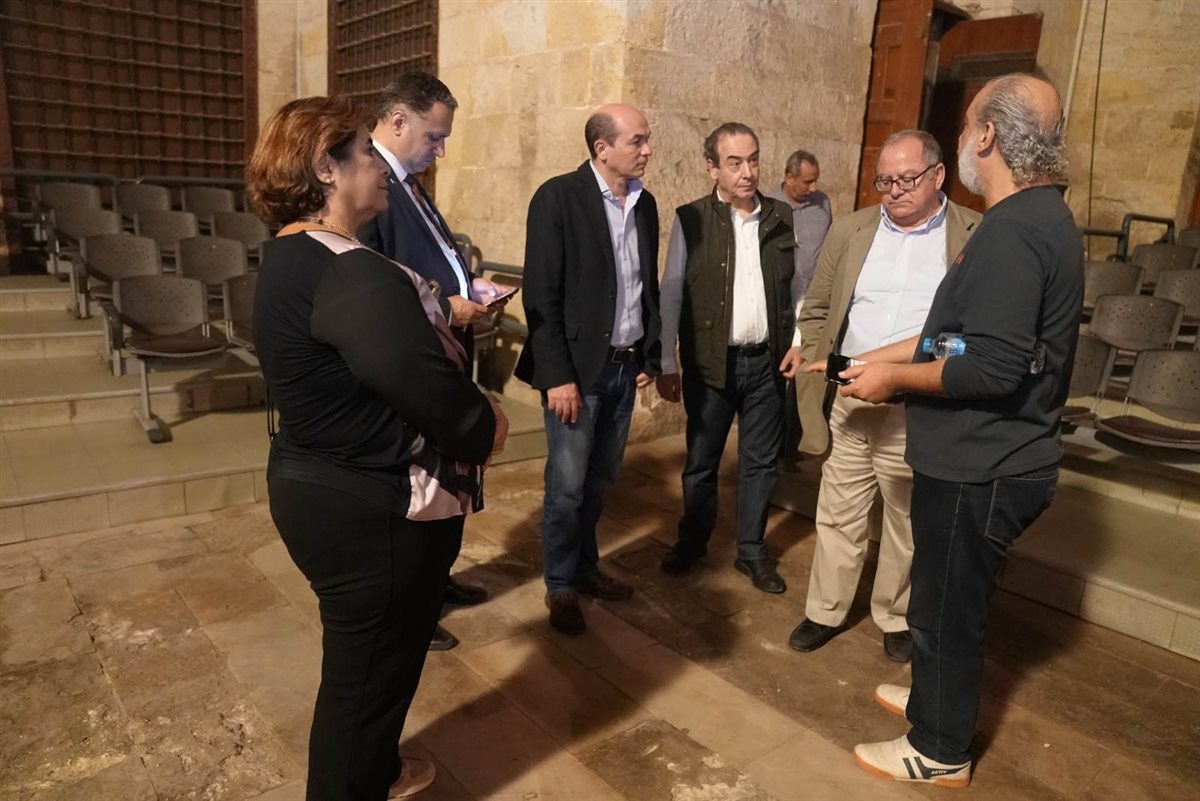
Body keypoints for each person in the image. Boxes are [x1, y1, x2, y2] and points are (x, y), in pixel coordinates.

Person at [249, 95, 508, 800]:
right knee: (363, 684)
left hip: (325, 481)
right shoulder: (350, 270)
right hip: (367, 506)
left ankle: (377, 768)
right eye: (367, 152)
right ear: (326, 169)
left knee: (371, 672)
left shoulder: (293, 255)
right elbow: (422, 385)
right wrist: (485, 423)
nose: (381, 167)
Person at [842, 75, 1082, 787]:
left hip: (983, 461)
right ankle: (933, 697)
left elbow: (992, 368)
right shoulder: (1036, 216)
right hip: (984, 454)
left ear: (986, 136)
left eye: (965, 125)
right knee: (943, 596)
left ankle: (938, 746)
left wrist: (892, 380)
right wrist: (884, 357)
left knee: (946, 608)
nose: (961, 137)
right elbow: (959, 338)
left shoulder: (1014, 229)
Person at [787, 131, 981, 663]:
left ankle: (894, 616)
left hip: (917, 403)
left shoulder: (974, 234)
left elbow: (971, 329)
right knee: (838, 513)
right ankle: (825, 610)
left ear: (938, 175)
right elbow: (818, 307)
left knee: (906, 521)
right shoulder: (852, 229)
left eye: (907, 179)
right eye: (885, 180)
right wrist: (820, 361)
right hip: (850, 396)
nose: (894, 190)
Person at [359, 70, 500, 652]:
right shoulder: (369, 183)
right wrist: (448, 306)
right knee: (412, 495)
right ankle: (410, 609)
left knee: (443, 486)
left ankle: (435, 582)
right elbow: (375, 286)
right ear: (398, 120)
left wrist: (469, 285)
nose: (440, 150)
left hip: (443, 350)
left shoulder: (407, 181)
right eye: (434, 137)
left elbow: (429, 257)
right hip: (412, 364)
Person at [515, 104, 661, 635]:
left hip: (623, 366)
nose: (647, 150)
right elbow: (541, 295)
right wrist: (558, 376)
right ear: (602, 148)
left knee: (600, 481)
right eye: (637, 141)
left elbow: (644, 285)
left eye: (646, 140)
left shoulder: (645, 203)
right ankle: (560, 584)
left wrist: (648, 354)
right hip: (576, 373)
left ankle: (584, 567)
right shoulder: (558, 197)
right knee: (568, 486)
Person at [655, 122, 802, 593]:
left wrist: (799, 340)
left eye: (753, 160)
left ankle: (752, 551)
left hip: (767, 363)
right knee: (702, 461)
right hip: (709, 362)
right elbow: (672, 291)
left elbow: (797, 287)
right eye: (734, 162)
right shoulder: (691, 219)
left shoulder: (781, 215)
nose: (747, 172)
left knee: (761, 463)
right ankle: (693, 541)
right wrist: (666, 360)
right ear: (712, 168)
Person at [768, 149, 833, 466]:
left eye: (815, 180)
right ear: (789, 177)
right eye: (807, 181)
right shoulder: (768, 205)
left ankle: (792, 447)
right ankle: (770, 444)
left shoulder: (823, 204)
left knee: (806, 371)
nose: (813, 187)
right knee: (778, 372)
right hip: (782, 302)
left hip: (814, 301)